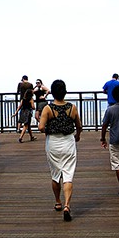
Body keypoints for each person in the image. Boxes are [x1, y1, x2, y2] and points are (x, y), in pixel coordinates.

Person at [38, 79, 82, 222]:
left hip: (53, 143)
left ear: (52, 93)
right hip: (68, 142)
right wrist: (78, 136)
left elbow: (40, 127)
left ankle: (58, 201)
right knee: (68, 175)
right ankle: (67, 205)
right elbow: (79, 126)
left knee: (55, 173)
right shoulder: (72, 108)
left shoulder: (48, 109)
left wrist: (48, 130)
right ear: (65, 92)